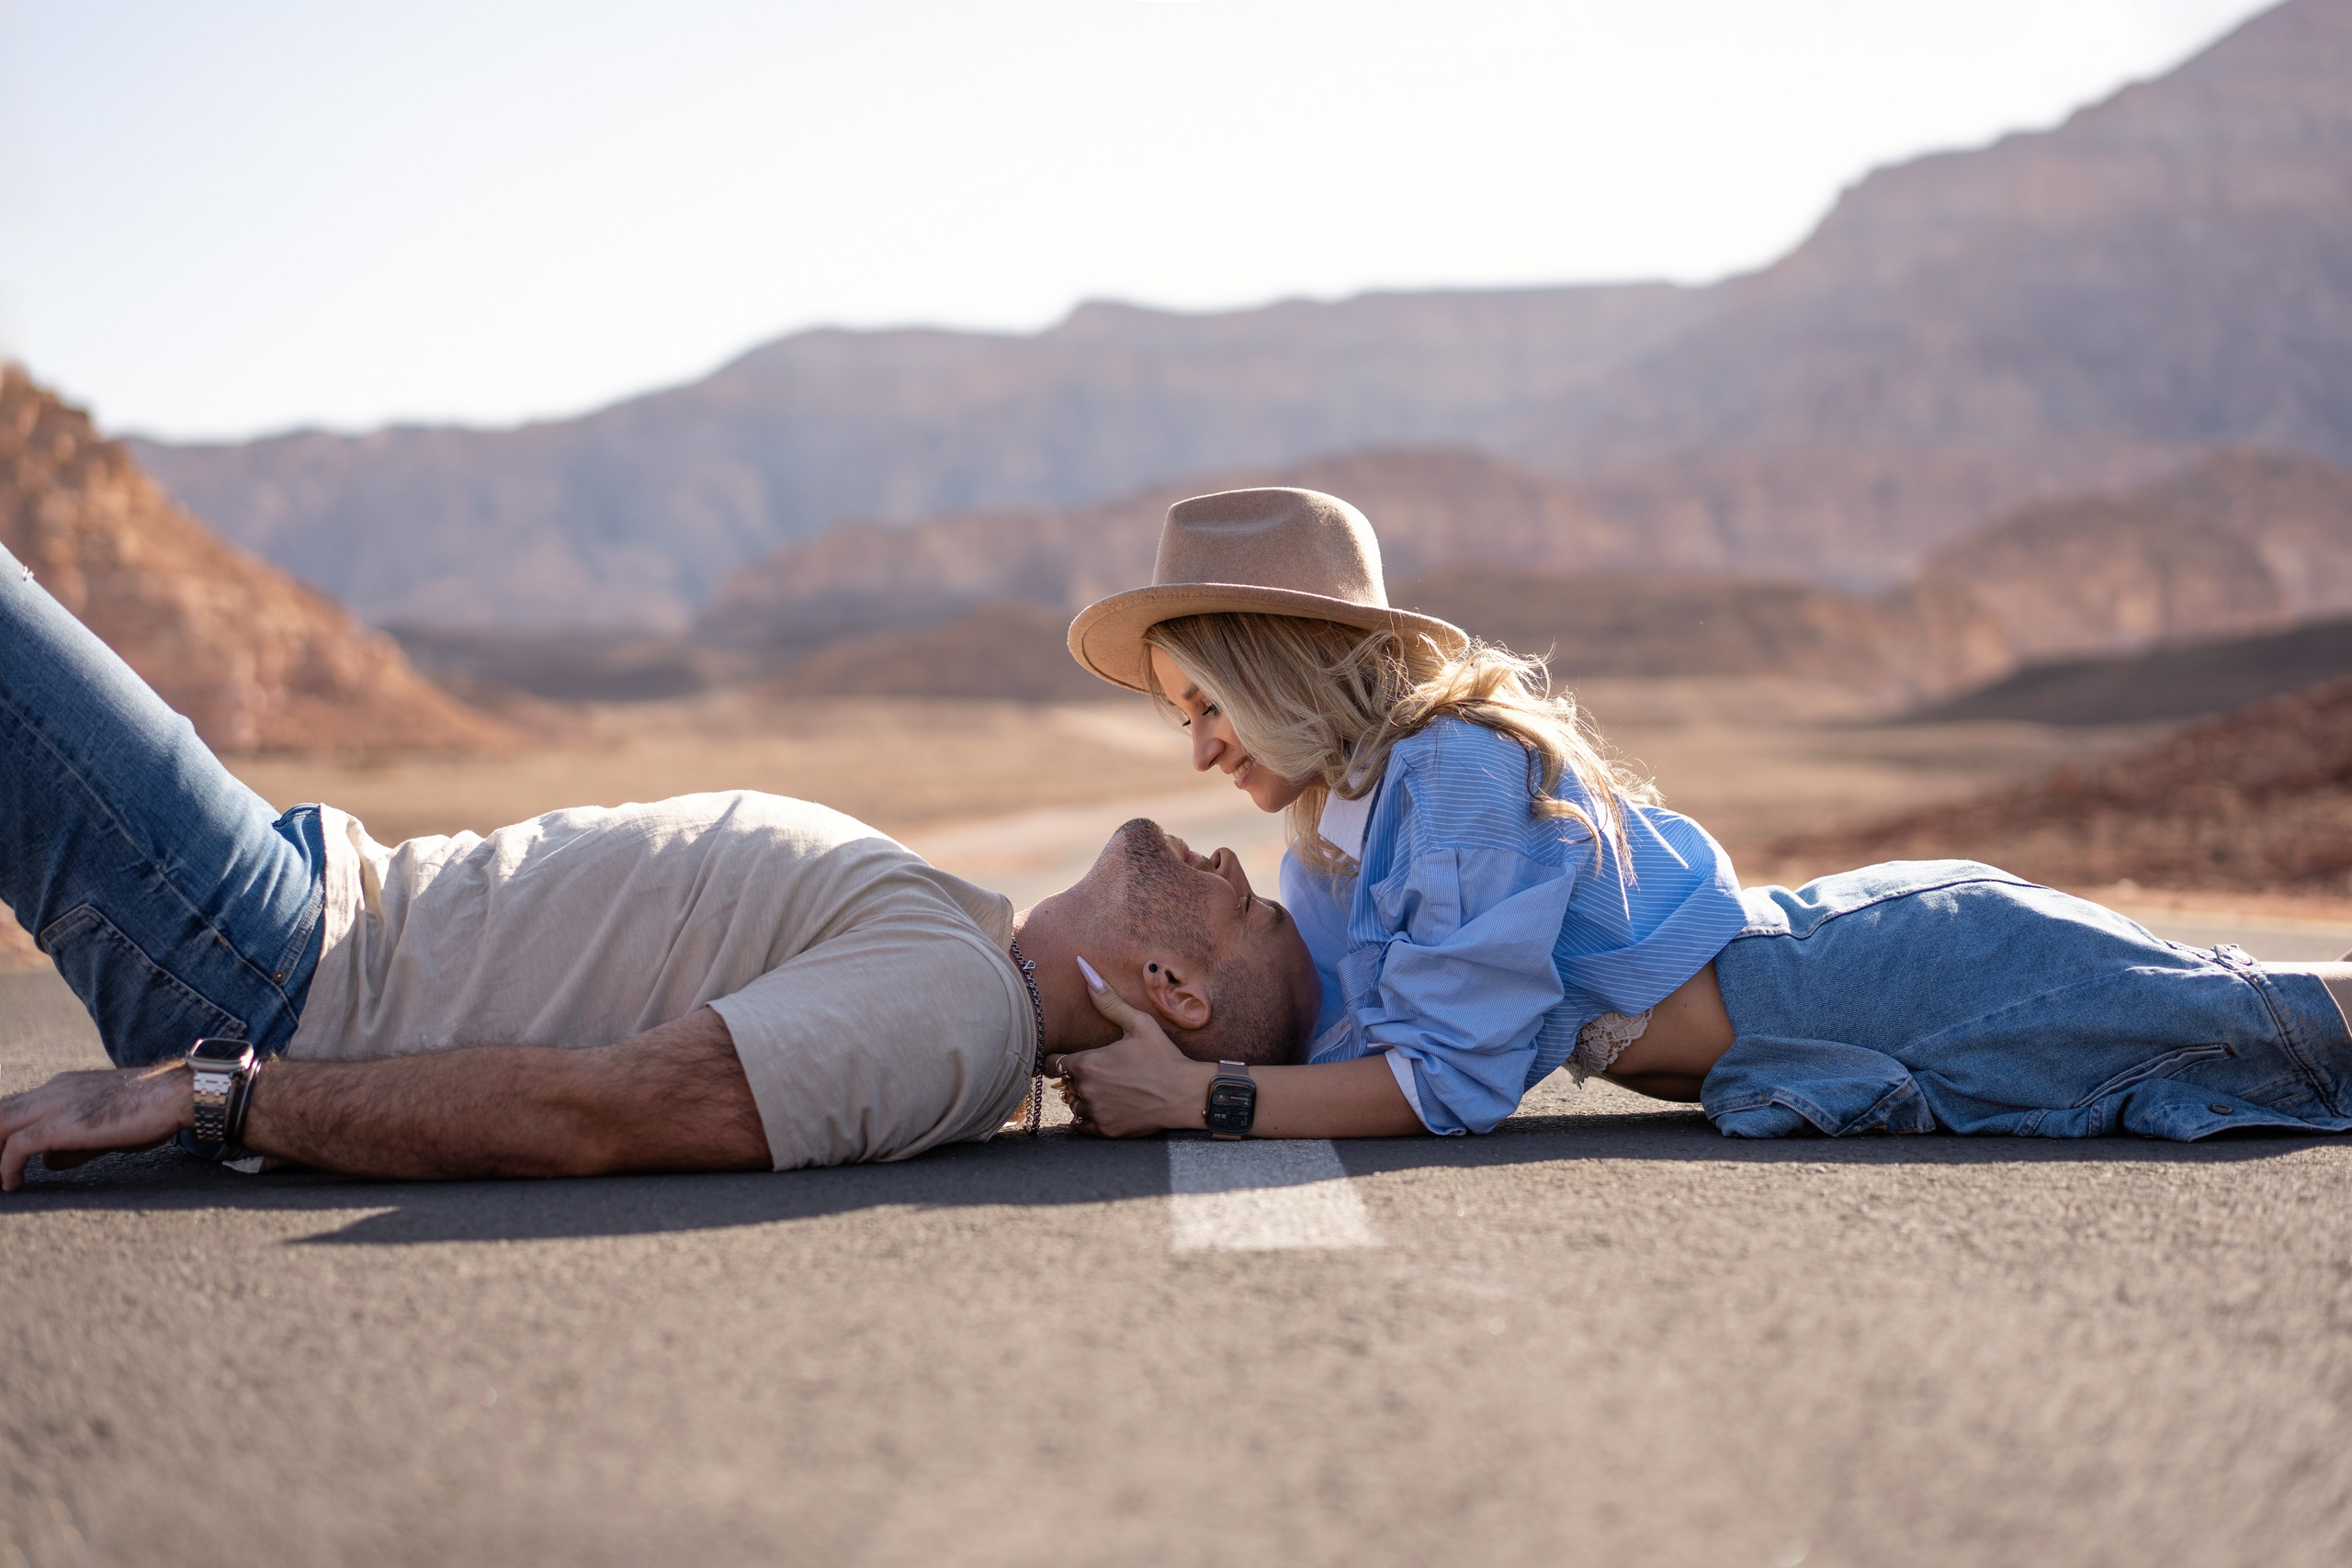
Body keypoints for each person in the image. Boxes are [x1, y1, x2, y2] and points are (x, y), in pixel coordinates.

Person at [0, 540, 1319, 1190]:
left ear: (1173, 987)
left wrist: (215, 1093)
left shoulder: (959, 1017)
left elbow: (592, 1113)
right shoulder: (965, 963)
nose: (1219, 848)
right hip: (293, 912)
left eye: (1239, 896)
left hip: (270, 961)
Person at [1049, 485, 2352, 1143]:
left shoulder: (1447, 773)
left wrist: (1203, 1102)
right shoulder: (1331, 840)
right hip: (1812, 1050)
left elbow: (1442, 1083)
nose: (1203, 751)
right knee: (2210, 1083)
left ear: (1280, 674)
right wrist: (1061, 1037)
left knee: (2284, 1031)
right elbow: (1333, 1048)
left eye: (1208, 706)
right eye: (1184, 723)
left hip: (1893, 973)